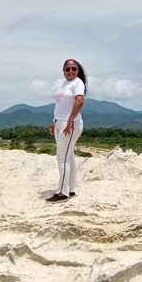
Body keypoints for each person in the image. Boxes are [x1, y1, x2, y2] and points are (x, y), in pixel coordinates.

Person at [46, 59, 86, 203]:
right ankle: (71, 188)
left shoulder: (78, 83)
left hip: (70, 124)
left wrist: (69, 121)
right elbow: (61, 105)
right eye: (67, 69)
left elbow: (79, 101)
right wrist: (54, 122)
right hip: (60, 122)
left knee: (62, 156)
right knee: (68, 156)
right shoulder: (64, 83)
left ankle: (63, 192)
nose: (70, 71)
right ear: (63, 70)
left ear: (78, 70)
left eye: (73, 69)